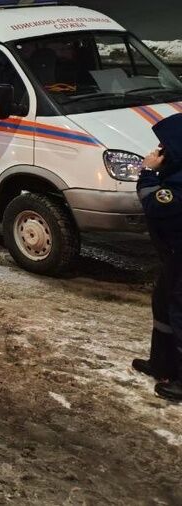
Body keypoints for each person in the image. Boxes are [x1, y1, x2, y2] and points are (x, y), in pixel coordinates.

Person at [135, 112, 182, 402]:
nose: (159, 151)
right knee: (163, 304)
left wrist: (149, 172)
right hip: (176, 255)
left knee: (179, 311)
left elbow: (154, 204)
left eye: (164, 147)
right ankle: (161, 362)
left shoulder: (178, 184)